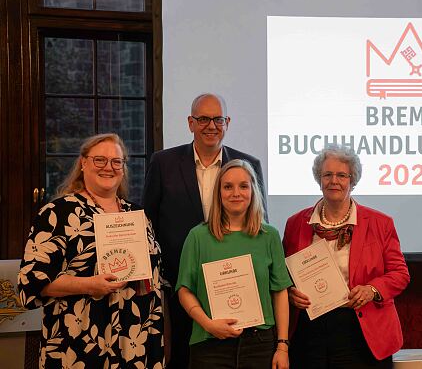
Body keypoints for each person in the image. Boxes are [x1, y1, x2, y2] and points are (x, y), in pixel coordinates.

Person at [17, 133, 164, 368]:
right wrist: (89, 285)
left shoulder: (137, 216)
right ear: (83, 163)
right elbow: (30, 283)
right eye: (100, 160)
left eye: (117, 162)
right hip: (78, 342)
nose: (109, 167)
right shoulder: (57, 214)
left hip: (135, 338)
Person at [142, 93, 267, 368]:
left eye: (218, 119)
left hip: (238, 286)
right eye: (203, 119)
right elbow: (146, 223)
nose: (211, 125)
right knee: (184, 359)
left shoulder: (249, 165)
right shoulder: (163, 163)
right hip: (181, 285)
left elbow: (259, 222)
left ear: (227, 122)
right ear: (190, 123)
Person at [283, 145, 410, 368]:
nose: (334, 181)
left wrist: (372, 290)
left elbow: (400, 274)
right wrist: (290, 293)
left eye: (342, 175)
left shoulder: (380, 223)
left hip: (361, 330)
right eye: (327, 174)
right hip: (309, 331)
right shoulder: (296, 223)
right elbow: (283, 275)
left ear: (353, 180)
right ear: (318, 179)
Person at [176, 159, 291, 368]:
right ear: (218, 193)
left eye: (243, 186)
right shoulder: (198, 236)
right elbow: (184, 290)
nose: (236, 193)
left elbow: (280, 291)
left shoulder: (269, 236)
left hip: (259, 344)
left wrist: (282, 346)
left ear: (253, 191)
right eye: (228, 187)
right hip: (210, 344)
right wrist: (208, 324)